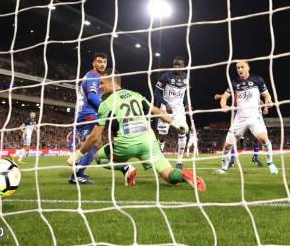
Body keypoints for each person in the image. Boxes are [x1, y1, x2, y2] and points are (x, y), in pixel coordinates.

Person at [69, 70, 206, 190]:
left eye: (102, 83)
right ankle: (183, 175)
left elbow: (94, 136)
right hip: (148, 143)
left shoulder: (106, 103)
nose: (100, 87)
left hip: (125, 145)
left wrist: (78, 154)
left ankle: (126, 168)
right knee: (170, 176)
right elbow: (156, 111)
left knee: (99, 157)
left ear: (111, 82)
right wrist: (175, 123)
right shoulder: (136, 95)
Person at [214, 62, 278, 175]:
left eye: (242, 67)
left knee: (263, 138)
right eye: (238, 67)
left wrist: (268, 101)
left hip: (254, 117)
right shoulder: (234, 83)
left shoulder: (257, 80)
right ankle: (223, 168)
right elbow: (224, 97)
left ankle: (270, 162)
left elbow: (266, 95)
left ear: (248, 68)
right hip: (240, 119)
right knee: (228, 145)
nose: (240, 69)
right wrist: (223, 106)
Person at [69, 52, 107, 184]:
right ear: (94, 63)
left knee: (95, 143)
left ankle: (78, 171)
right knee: (95, 142)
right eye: (99, 61)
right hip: (87, 113)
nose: (102, 64)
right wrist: (105, 109)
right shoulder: (93, 75)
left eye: (104, 62)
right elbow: (91, 98)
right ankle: (77, 175)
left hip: (84, 113)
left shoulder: (91, 75)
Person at [154, 56, 190, 170]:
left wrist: (187, 104)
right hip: (166, 108)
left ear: (183, 66)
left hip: (179, 110)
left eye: (179, 65)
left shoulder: (186, 77)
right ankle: (160, 150)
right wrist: (166, 103)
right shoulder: (166, 76)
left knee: (182, 131)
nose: (176, 67)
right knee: (162, 134)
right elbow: (156, 93)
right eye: (175, 64)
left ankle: (179, 162)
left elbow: (185, 93)